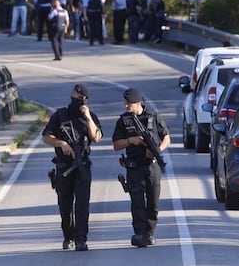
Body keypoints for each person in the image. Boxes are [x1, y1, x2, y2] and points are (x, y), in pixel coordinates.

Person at [43, 84, 103, 251]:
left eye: (81, 100)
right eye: (76, 99)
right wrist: (61, 143)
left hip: (82, 167)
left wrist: (88, 117)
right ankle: (68, 236)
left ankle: (81, 239)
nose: (78, 102)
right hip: (64, 168)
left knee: (82, 206)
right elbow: (46, 137)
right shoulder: (59, 115)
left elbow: (96, 137)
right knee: (65, 205)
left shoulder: (90, 117)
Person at [112, 88, 171, 247]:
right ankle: (139, 233)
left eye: (128, 103)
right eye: (125, 103)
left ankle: (150, 232)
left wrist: (157, 150)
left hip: (152, 166)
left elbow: (166, 137)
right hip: (134, 167)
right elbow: (116, 145)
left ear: (138, 103)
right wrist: (131, 141)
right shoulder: (123, 121)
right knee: (137, 202)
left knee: (153, 202)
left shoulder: (153, 116)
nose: (126, 106)